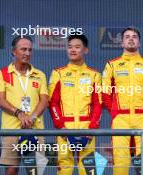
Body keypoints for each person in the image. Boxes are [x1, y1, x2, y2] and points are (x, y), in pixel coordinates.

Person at [102, 27, 143, 175]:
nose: (131, 39)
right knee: (121, 162)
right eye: (127, 36)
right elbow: (105, 92)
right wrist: (115, 113)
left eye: (134, 36)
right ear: (121, 42)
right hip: (120, 118)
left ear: (139, 42)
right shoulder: (112, 65)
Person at [0, 36, 48, 175]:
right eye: (23, 49)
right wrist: (20, 114)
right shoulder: (2, 74)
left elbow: (44, 101)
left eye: (30, 50)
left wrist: (32, 118)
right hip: (11, 130)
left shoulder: (39, 74)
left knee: (35, 172)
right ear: (13, 51)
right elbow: (0, 100)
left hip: (35, 130)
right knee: (11, 171)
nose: (27, 53)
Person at [49, 34, 102, 175]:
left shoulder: (94, 75)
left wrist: (92, 128)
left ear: (86, 50)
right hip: (65, 129)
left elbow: (98, 104)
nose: (72, 50)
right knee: (64, 169)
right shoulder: (58, 73)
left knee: (88, 169)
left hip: (87, 129)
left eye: (77, 47)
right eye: (70, 47)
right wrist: (60, 127)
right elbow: (53, 103)